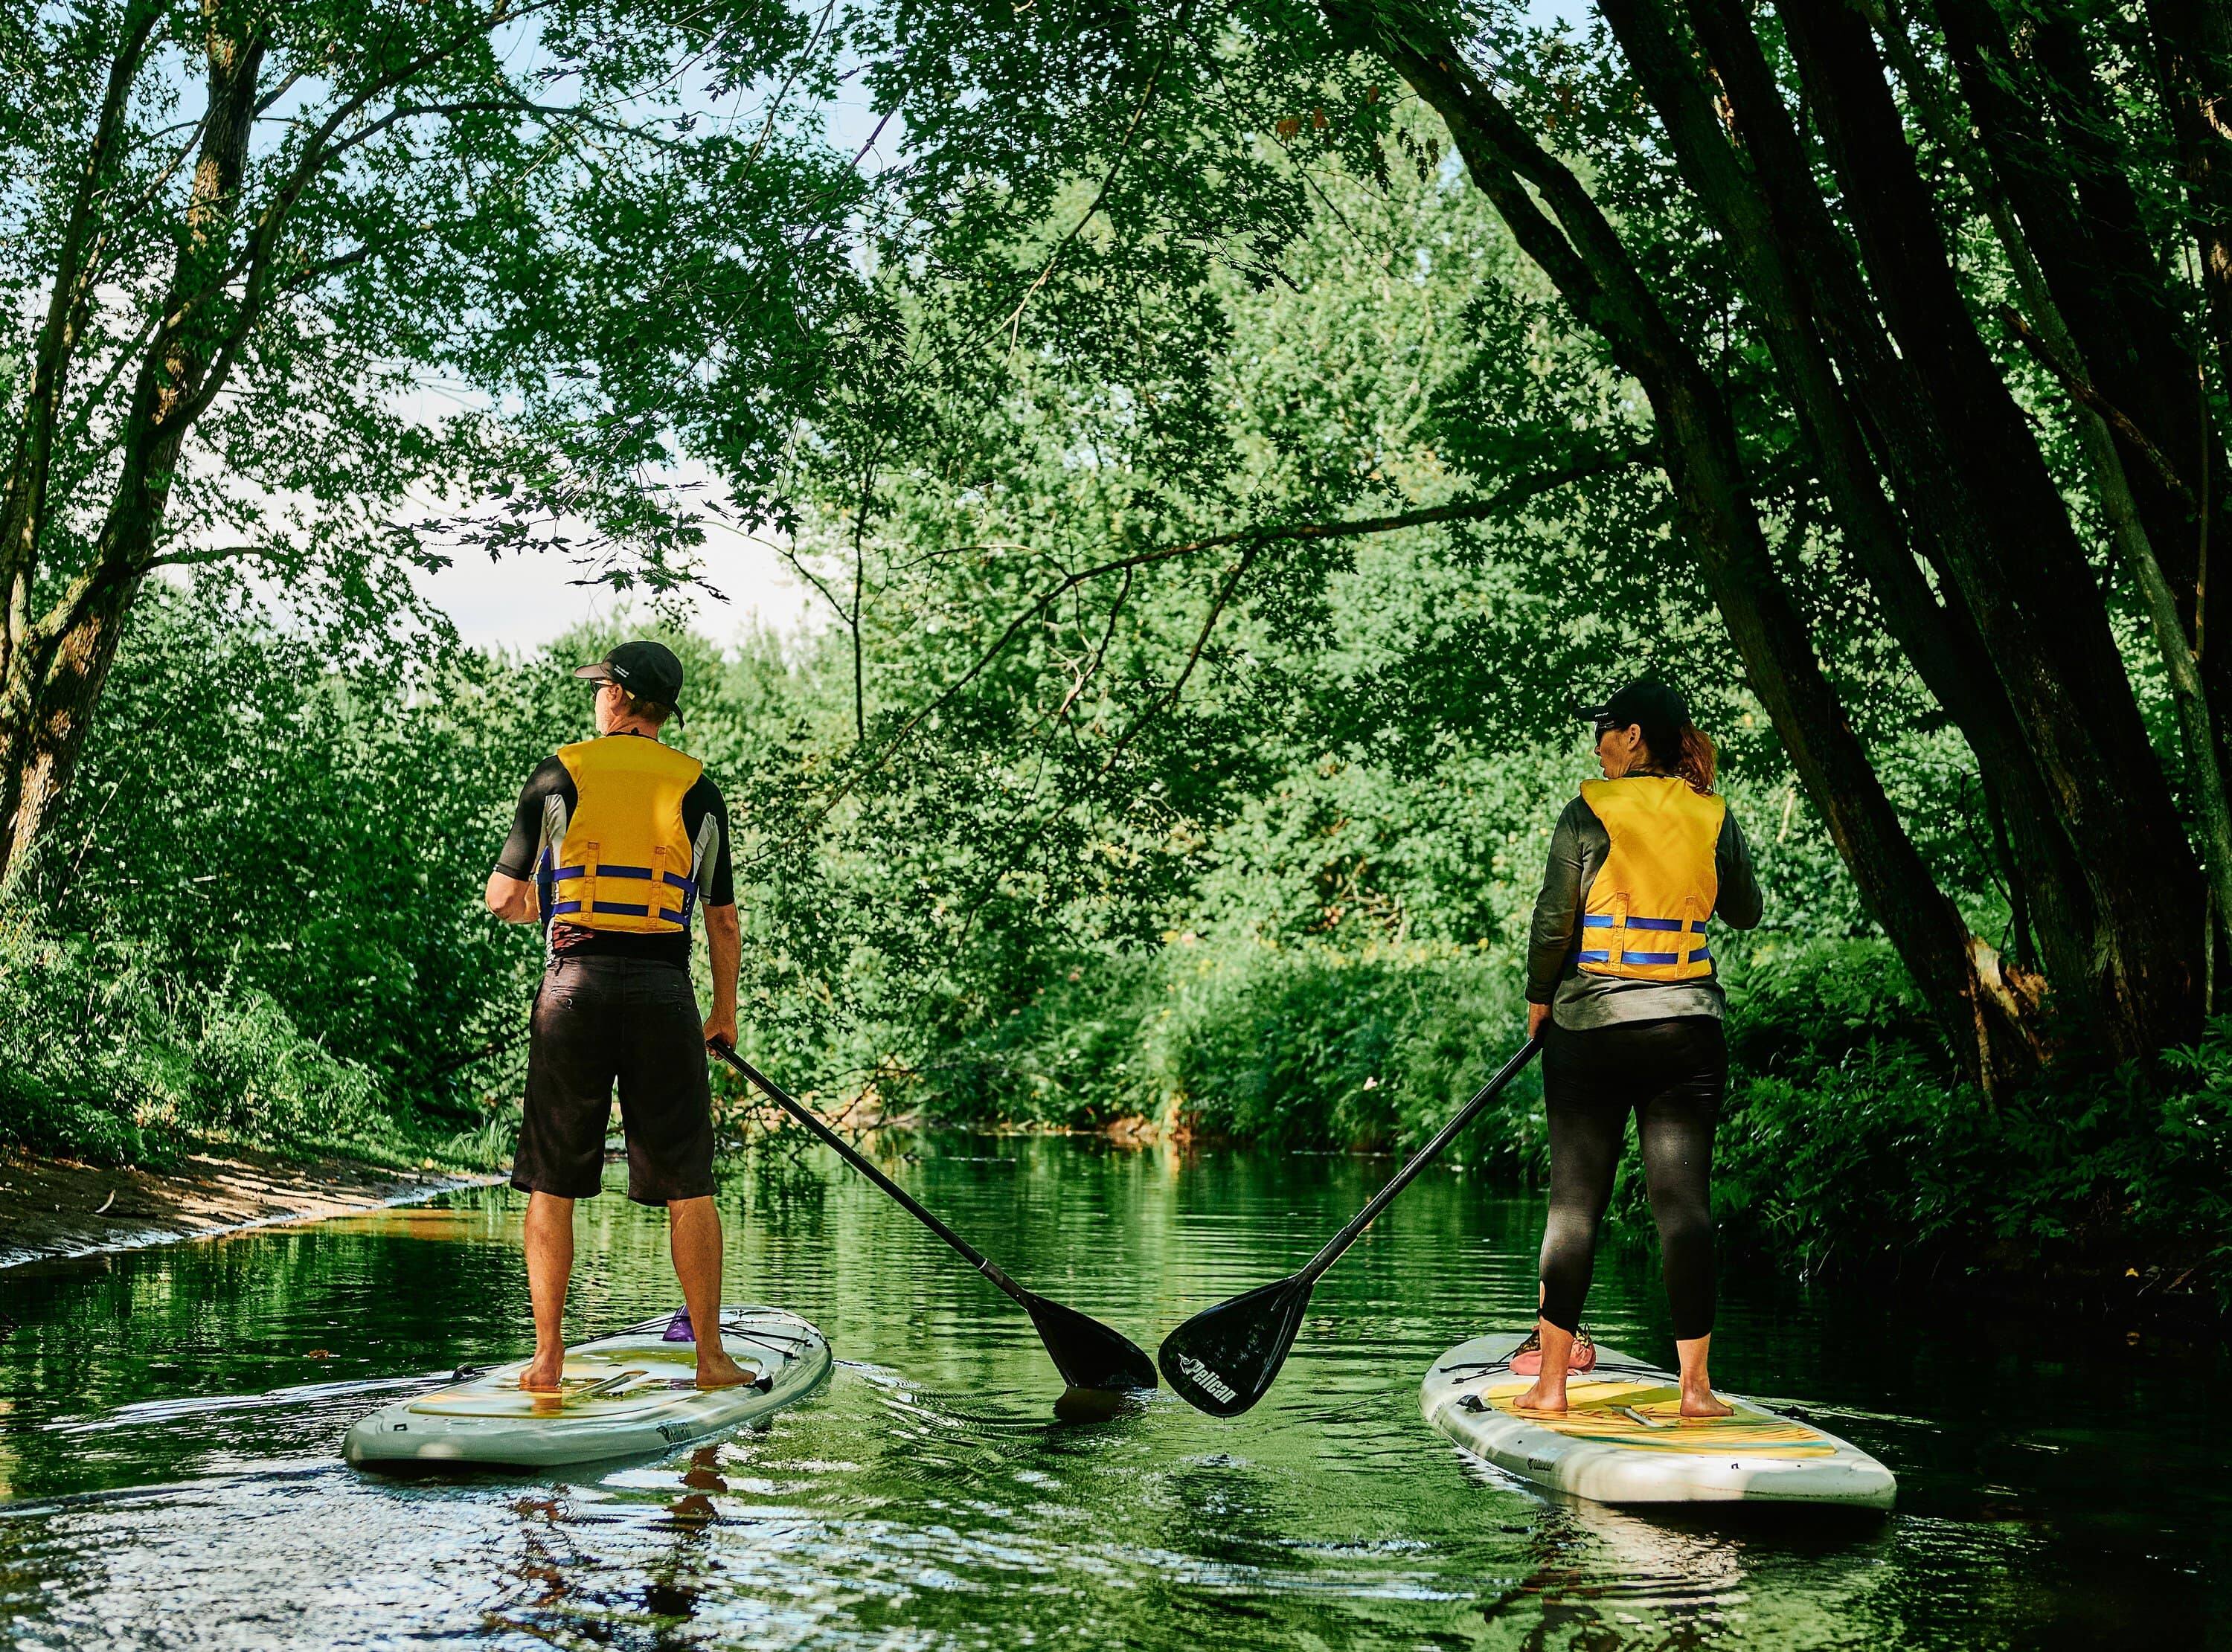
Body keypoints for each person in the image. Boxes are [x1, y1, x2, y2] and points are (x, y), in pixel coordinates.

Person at [483, 640, 751, 1391]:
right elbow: (723, 921)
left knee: (553, 1181)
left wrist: (545, 905)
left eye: (601, 686)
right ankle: (711, 1360)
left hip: (572, 988)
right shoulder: (699, 787)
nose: (595, 696)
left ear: (622, 700)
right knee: (688, 1181)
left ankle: (546, 1360)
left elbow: (503, 897)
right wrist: (722, 1014)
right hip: (664, 994)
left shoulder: (558, 773)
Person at [1515, 679, 1762, 1417]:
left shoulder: (1587, 811)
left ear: (1632, 737)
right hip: (1687, 1031)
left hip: (1589, 1031)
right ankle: (1696, 1392)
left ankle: (1551, 1387)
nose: (1598, 746)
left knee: (1575, 1206)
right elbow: (1744, 910)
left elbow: (1554, 918)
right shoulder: (1711, 813)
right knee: (1684, 1207)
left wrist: (1538, 999)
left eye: (1604, 731)